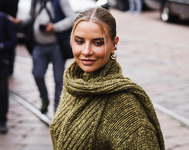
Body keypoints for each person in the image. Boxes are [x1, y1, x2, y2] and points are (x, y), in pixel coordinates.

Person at [50, 7, 165, 149]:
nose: (86, 51)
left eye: (98, 43)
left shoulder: (125, 106)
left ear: (114, 44)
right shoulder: (73, 83)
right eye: (79, 41)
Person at [11, 0, 75, 114]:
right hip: (39, 46)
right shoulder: (35, 2)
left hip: (57, 46)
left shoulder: (60, 1)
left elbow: (71, 18)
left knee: (59, 79)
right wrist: (20, 21)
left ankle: (57, 108)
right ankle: (44, 99)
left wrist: (54, 27)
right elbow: (31, 16)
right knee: (37, 74)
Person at [0, 11, 17, 134]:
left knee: (2, 91)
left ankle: (2, 120)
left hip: (2, 62)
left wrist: (1, 46)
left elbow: (13, 41)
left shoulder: (5, 19)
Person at [0, 0, 19, 77]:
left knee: (9, 46)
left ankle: (9, 69)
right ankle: (9, 69)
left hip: (8, 21)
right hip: (6, 20)